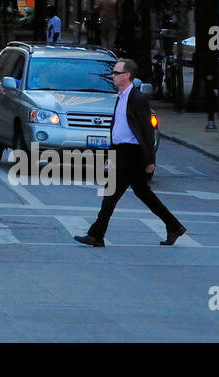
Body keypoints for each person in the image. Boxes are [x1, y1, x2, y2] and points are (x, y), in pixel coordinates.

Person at [75, 58, 183, 247]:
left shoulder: (138, 98)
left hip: (132, 154)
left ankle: (96, 235)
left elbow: (147, 131)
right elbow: (118, 127)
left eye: (116, 73)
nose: (113, 76)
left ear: (127, 75)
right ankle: (174, 226)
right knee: (142, 193)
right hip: (121, 151)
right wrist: (111, 154)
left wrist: (150, 160)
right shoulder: (121, 96)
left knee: (111, 195)